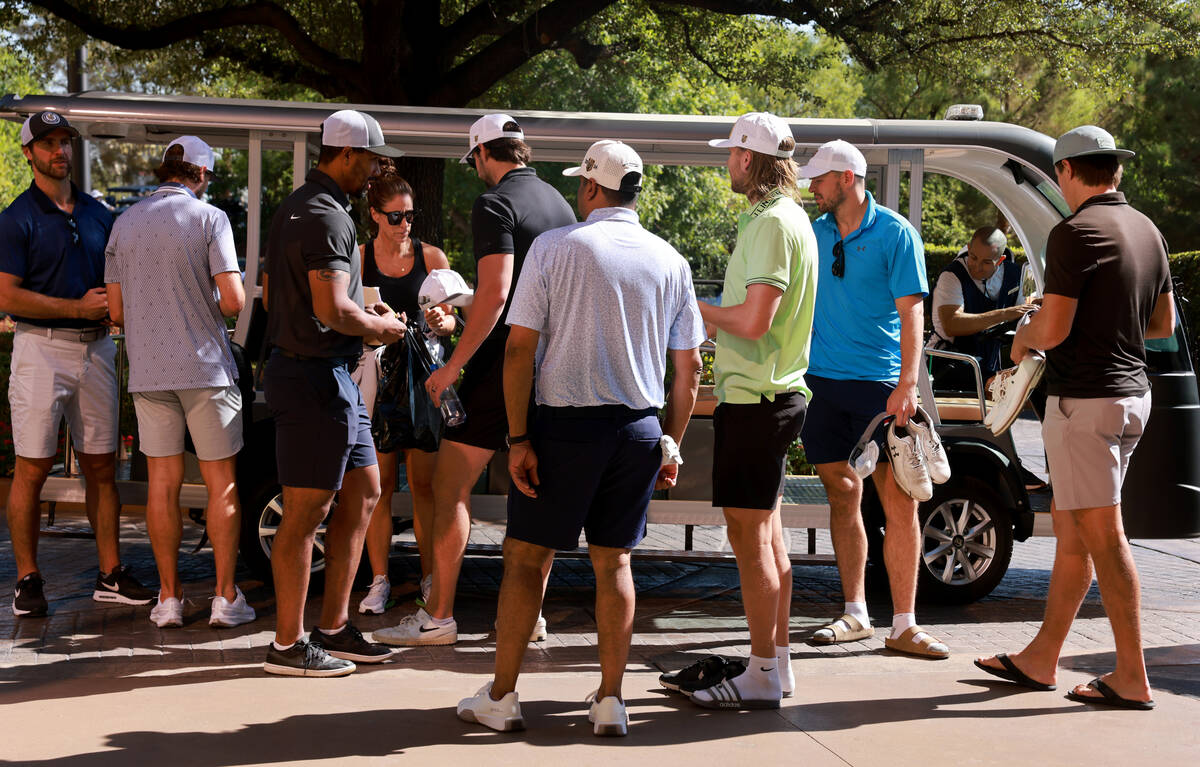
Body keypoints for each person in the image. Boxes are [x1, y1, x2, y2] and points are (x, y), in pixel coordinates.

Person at [455, 139, 704, 736]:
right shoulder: (670, 260)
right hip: (638, 427)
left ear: (592, 188)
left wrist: (518, 438)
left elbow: (520, 347)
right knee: (614, 561)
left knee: (524, 559)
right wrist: (669, 440)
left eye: (580, 183)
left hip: (564, 427)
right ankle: (611, 701)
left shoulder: (552, 247)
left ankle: (503, 695)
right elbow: (689, 369)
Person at [975, 126, 1174, 710]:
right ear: (1114, 169)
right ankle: (1042, 659)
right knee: (1073, 536)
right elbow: (1160, 326)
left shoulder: (1074, 233)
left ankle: (1132, 676)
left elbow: (1053, 331)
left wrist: (1022, 336)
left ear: (1065, 173)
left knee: (1103, 537)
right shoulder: (1148, 230)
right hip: (1131, 396)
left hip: (1085, 404)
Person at [374, 114, 575, 646]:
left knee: (449, 487)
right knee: (531, 485)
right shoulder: (561, 203)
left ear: (485, 154)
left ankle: (438, 617)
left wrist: (454, 364)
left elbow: (495, 293)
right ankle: (531, 616)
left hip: (501, 358)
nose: (477, 172)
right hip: (551, 363)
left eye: (476, 161)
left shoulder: (494, 203)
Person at [678, 112, 817, 710]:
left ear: (746, 159)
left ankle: (761, 674)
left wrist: (695, 306)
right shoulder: (791, 218)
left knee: (752, 540)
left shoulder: (769, 224)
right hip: (774, 396)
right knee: (770, 538)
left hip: (757, 400)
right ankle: (776, 665)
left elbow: (754, 322)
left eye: (729, 154)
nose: (724, 163)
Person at [260, 109, 406, 676]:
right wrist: (379, 326)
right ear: (346, 155)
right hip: (313, 378)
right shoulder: (325, 216)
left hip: (327, 375)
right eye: (369, 159)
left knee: (366, 490)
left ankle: (335, 627)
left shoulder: (297, 205)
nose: (373, 171)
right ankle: (287, 646)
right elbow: (330, 309)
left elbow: (278, 296)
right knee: (306, 512)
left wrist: (357, 318)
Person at [796, 140, 950, 659]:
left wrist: (908, 385)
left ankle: (904, 624)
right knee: (842, 494)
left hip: (880, 390)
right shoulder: (812, 232)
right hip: (820, 385)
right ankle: (856, 613)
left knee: (900, 502)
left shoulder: (895, 233)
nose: (813, 187)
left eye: (819, 179)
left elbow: (913, 315)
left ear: (846, 178)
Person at [0, 111, 154, 617]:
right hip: (40, 348)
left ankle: (109, 574)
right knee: (32, 469)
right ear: (29, 154)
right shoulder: (15, 217)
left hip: (97, 348)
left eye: (65, 141)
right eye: (47, 143)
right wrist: (75, 308)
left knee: (101, 467)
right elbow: (7, 296)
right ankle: (28, 580)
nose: (59, 150)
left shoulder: (98, 213)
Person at [103, 136, 254, 629]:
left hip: (148, 370)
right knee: (221, 485)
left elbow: (118, 311)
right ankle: (225, 598)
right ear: (201, 175)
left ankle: (168, 599)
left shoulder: (123, 224)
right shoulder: (210, 219)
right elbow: (233, 300)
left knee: (161, 487)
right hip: (206, 369)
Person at [355, 166, 455, 615]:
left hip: (421, 377)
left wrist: (441, 321)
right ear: (375, 214)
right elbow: (346, 318)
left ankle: (431, 576)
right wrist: (375, 320)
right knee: (377, 486)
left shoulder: (432, 257)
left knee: (425, 486)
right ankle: (379, 580)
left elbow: (454, 320)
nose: (404, 224)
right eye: (395, 216)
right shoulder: (358, 257)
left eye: (409, 216)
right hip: (377, 375)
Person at [928, 226, 1033, 389]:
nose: (976, 267)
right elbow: (952, 324)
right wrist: (1005, 313)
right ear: (968, 249)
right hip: (946, 363)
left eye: (986, 262)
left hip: (987, 366)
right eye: (973, 257)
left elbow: (1023, 315)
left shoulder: (1015, 274)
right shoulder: (951, 276)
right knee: (998, 386)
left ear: (1000, 261)